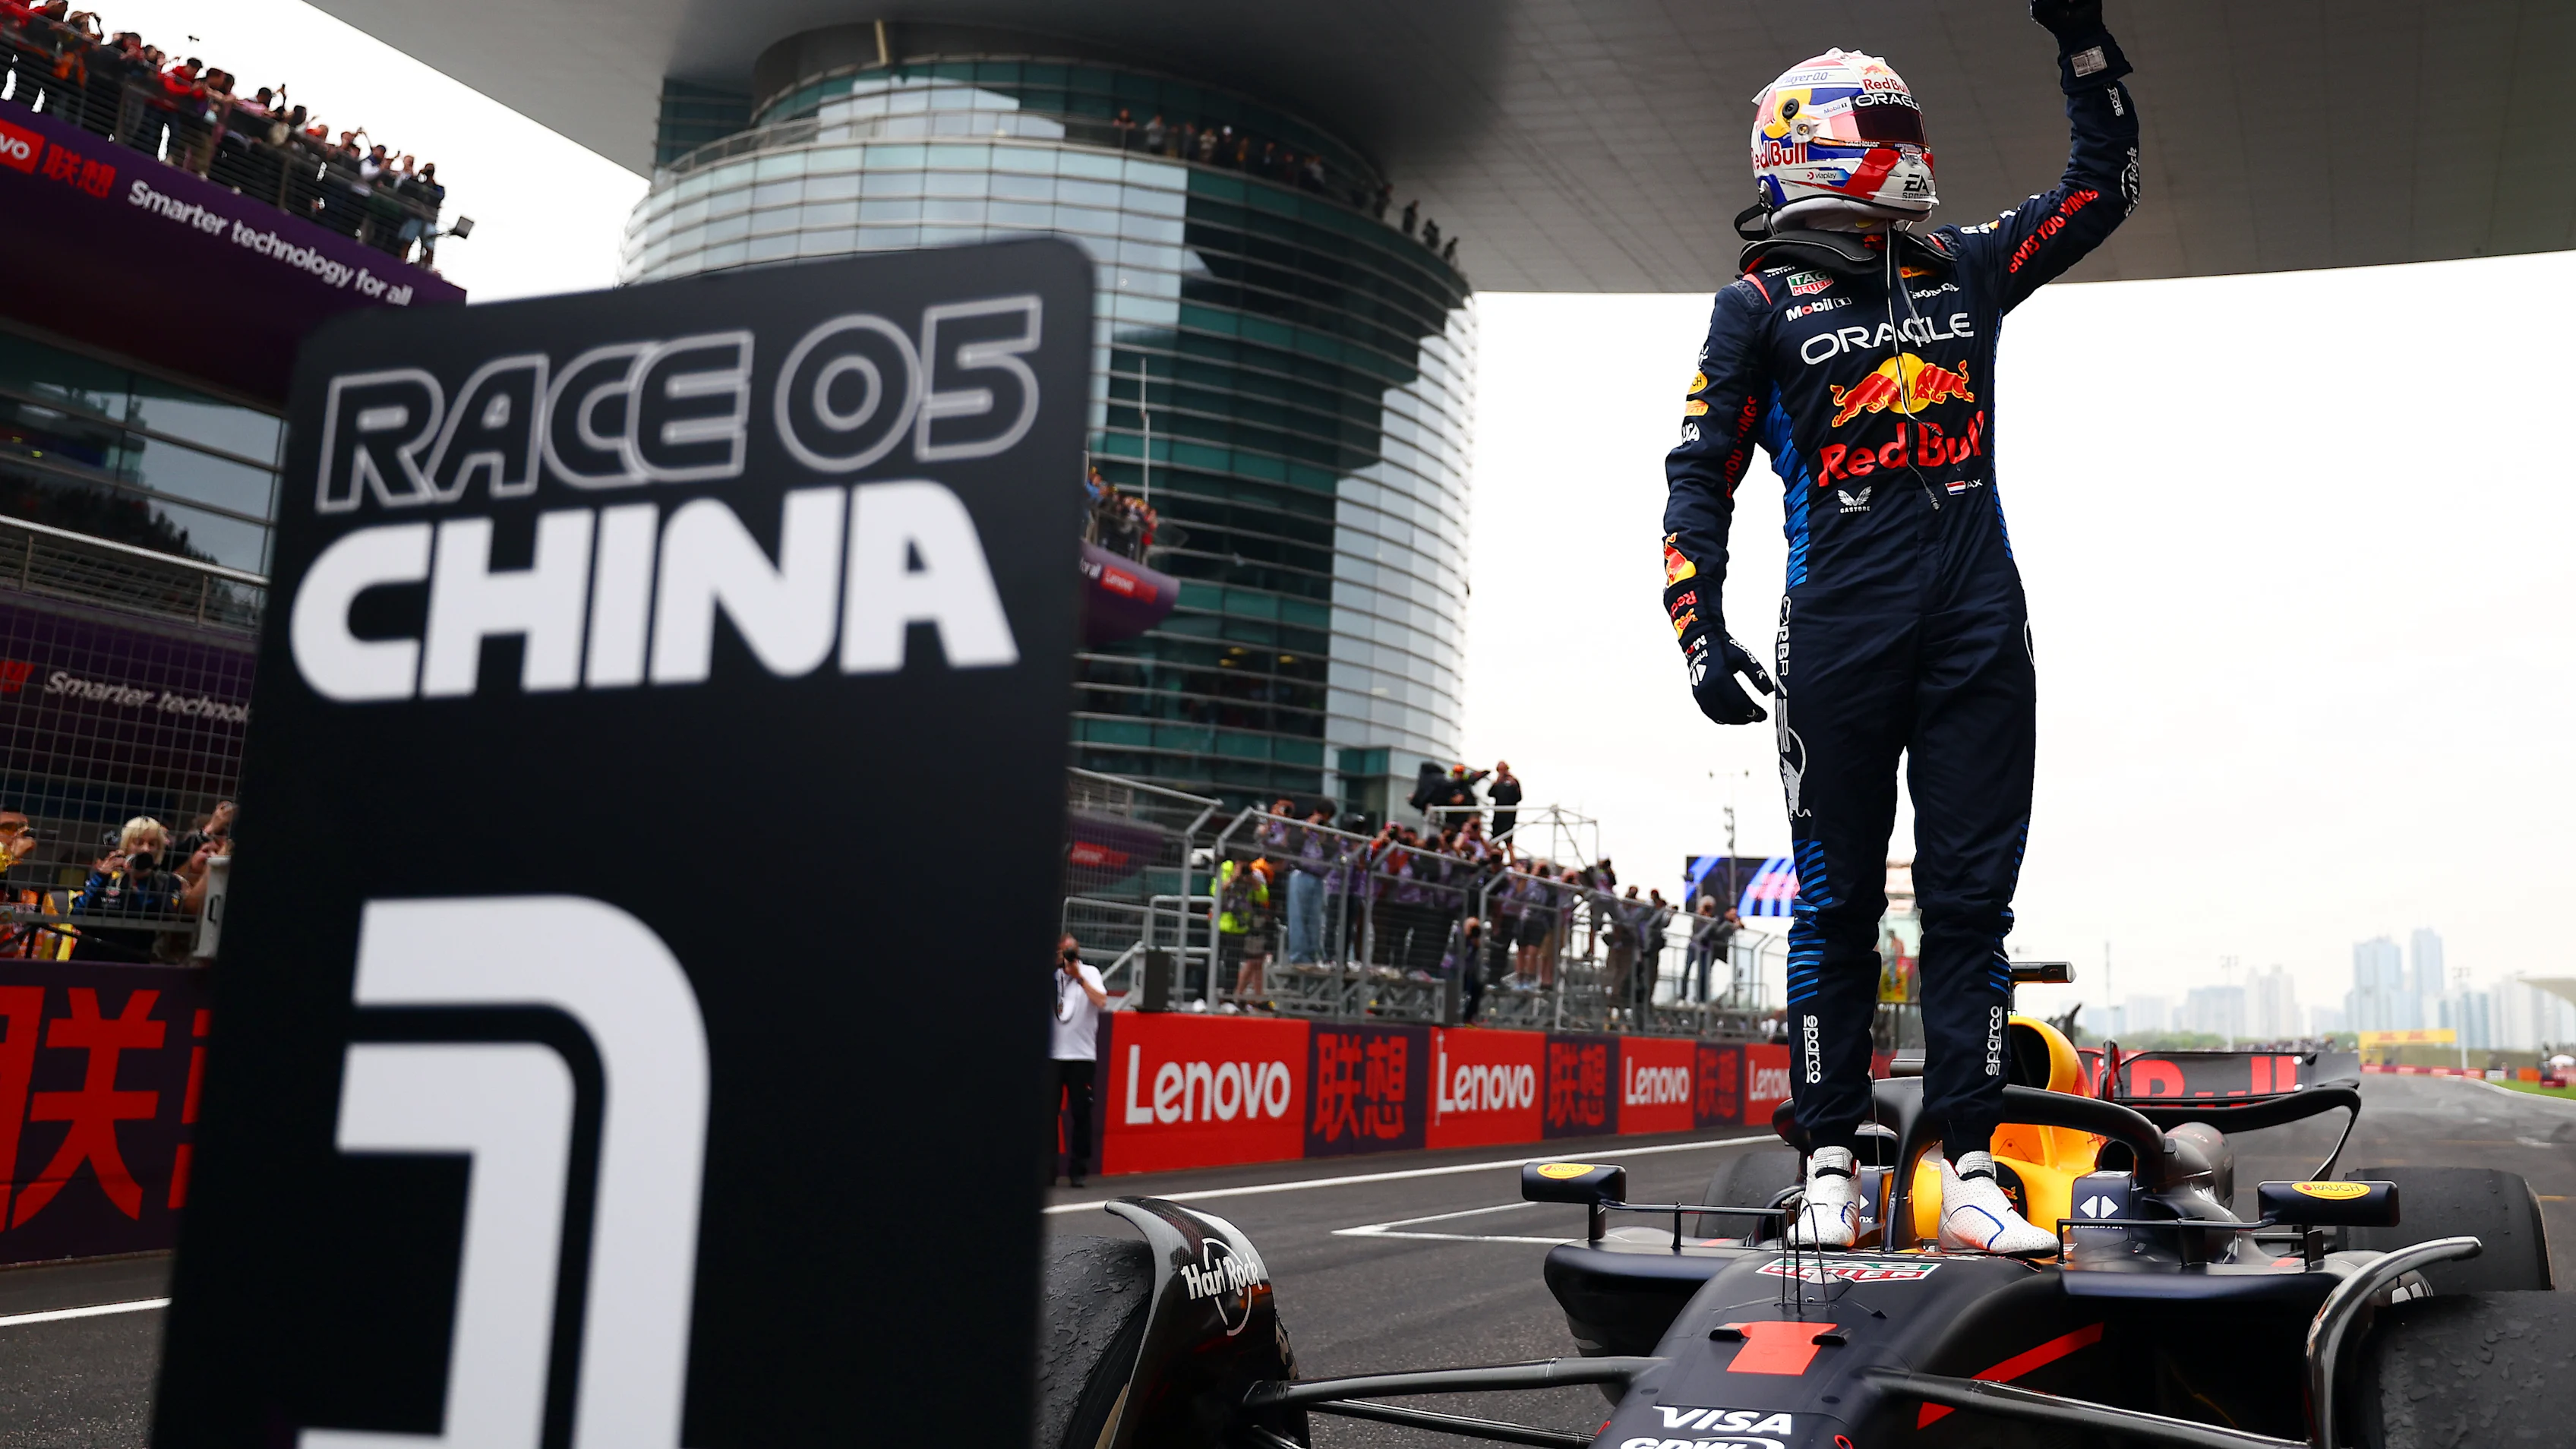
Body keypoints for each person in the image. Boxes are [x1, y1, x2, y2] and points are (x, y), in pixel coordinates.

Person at [1660, 0, 2137, 1254]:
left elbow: (2102, 189)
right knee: (1835, 909)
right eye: (1887, 127)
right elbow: (1698, 472)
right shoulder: (1755, 305)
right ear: (1814, 146)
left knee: (1970, 907)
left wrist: (2082, 43)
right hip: (1838, 636)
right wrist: (1696, 627)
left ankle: (1972, 1165)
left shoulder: (1964, 266)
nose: (1910, 147)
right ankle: (1828, 1164)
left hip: (1980, 627)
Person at [1050, 935, 1108, 1188]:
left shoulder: (1090, 973)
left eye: (1071, 952)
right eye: (1063, 952)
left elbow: (1102, 1001)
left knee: (1081, 1113)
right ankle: (1047, 1169)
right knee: (1047, 1115)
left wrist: (1079, 978)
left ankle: (1079, 1169)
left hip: (1082, 1056)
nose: (1068, 958)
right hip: (1053, 1056)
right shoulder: (1053, 977)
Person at [1487, 761, 1523, 841]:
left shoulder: (1514, 782)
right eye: (1499, 770)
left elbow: (1519, 797)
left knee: (1508, 840)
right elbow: (1490, 794)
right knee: (1495, 838)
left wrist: (1513, 786)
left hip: (1509, 815)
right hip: (1498, 814)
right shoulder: (1497, 783)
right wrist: (1496, 783)